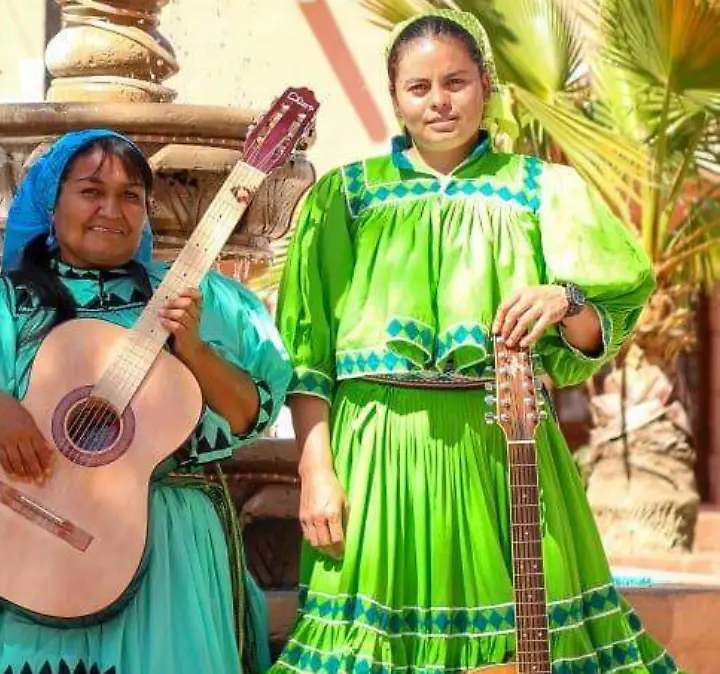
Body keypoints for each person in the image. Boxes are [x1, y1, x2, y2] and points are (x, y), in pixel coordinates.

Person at [270, 10, 679, 673]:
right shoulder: (343, 199)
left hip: (509, 448)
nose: (439, 101)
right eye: (419, 87)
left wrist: (567, 298)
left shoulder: (543, 191)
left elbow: (598, 329)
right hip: (377, 453)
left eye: (455, 82)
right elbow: (307, 355)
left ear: (485, 85)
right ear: (395, 97)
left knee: (530, 643)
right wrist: (315, 470)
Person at [0, 128, 292, 674]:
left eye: (130, 195)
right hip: (25, 545)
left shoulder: (201, 301)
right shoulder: (3, 309)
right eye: (90, 191)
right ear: (51, 204)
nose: (112, 209)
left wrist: (195, 351)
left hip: (168, 547)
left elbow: (250, 415)